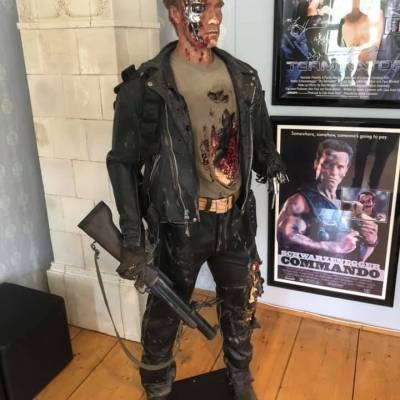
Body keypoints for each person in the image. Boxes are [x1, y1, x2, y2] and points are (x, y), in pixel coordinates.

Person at [106, 1, 286, 399]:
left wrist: (272, 162)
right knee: (166, 310)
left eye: (218, 6)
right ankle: (157, 383)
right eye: (201, 6)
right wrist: (133, 237)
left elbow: (259, 140)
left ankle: (240, 375)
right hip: (180, 223)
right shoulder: (146, 86)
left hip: (236, 216)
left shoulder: (244, 76)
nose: (215, 16)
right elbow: (122, 162)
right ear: (174, 12)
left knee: (240, 304)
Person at [277, 139, 378, 262]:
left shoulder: (346, 205)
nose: (334, 172)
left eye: (340, 167)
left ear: (346, 170)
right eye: (328, 164)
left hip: (337, 271)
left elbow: (359, 258)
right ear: (316, 164)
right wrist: (333, 246)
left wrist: (370, 242)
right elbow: (286, 237)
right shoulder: (299, 201)